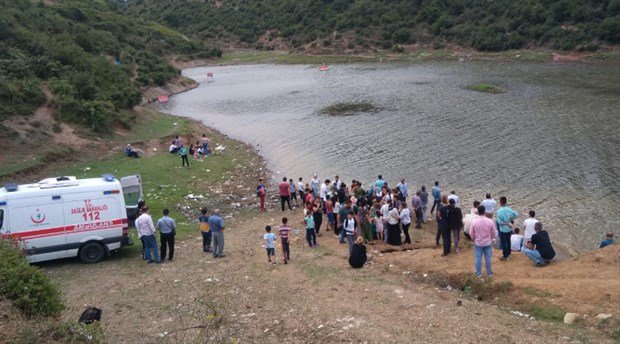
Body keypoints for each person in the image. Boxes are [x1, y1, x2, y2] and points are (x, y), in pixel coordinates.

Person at [470, 205, 497, 277]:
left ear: (478, 212)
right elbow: (494, 232)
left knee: (478, 258)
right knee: (488, 258)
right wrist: (492, 238)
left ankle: (478, 273)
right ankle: (489, 273)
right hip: (488, 242)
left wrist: (473, 239)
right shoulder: (490, 221)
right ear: (484, 211)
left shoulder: (474, 221)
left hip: (478, 242)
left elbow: (471, 233)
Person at [497, 196, 518, 261]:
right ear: (506, 202)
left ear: (500, 202)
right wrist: (511, 219)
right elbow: (516, 215)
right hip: (509, 229)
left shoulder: (499, 211)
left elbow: (499, 222)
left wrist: (505, 223)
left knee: (503, 242)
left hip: (503, 229)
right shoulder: (509, 209)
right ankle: (509, 253)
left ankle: (505, 256)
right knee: (508, 241)